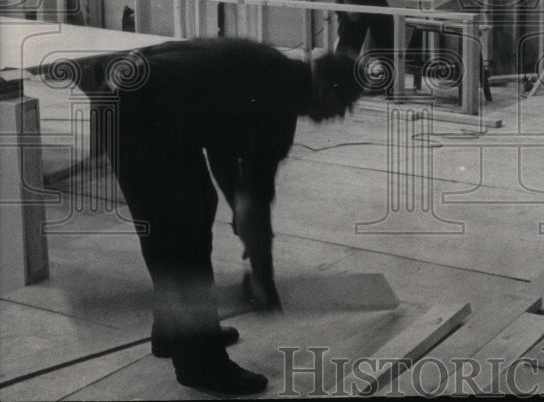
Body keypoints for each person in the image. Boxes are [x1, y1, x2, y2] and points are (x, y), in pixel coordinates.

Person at [80, 39, 361, 395]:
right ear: (326, 87)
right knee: (180, 229)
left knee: (193, 209)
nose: (342, 115)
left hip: (134, 94)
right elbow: (254, 203)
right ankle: (201, 364)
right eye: (346, 103)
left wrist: (239, 214)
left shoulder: (273, 70)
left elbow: (221, 149)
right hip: (138, 112)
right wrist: (262, 275)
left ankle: (174, 329)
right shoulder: (278, 105)